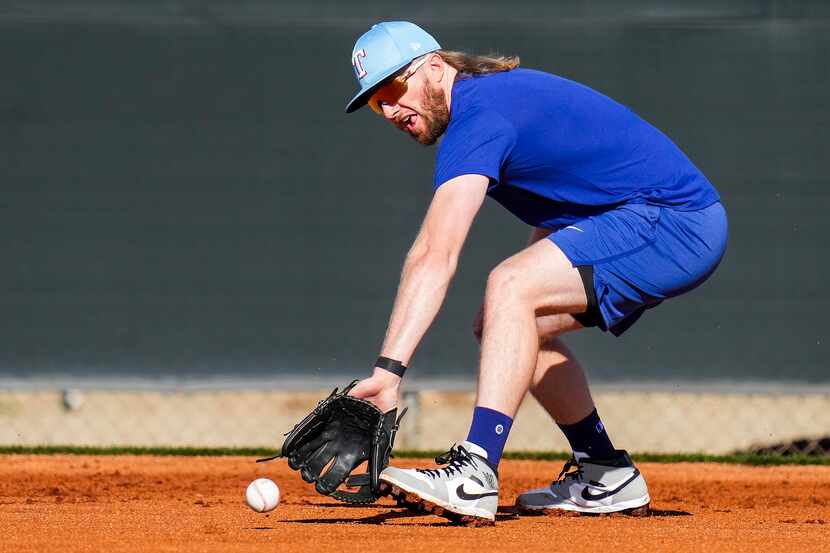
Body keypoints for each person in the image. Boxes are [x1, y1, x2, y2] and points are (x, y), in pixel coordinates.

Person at [345, 21, 728, 524]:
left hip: (672, 219)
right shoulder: (485, 103)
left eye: (393, 87)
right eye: (376, 102)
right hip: (641, 214)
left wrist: (388, 372)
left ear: (435, 67)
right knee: (506, 322)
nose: (390, 109)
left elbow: (435, 252)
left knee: (512, 286)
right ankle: (606, 472)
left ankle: (476, 469)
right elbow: (573, 195)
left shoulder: (478, 115)